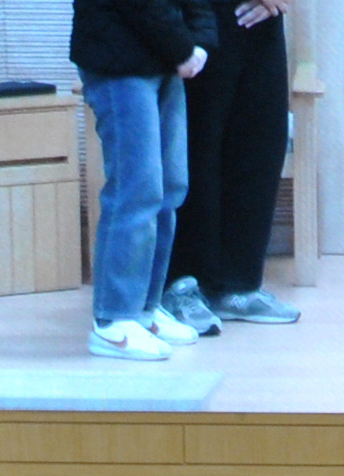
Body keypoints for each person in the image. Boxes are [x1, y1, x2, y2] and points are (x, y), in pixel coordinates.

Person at [73, 0, 214, 361]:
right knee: (135, 189)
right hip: (119, 59)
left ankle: (145, 310)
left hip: (164, 58)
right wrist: (182, 48)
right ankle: (114, 320)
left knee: (169, 188)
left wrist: (200, 42)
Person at [167, 0, 300, 330]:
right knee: (198, 146)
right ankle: (184, 284)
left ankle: (239, 283)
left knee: (261, 140)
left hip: (263, 23)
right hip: (199, 15)